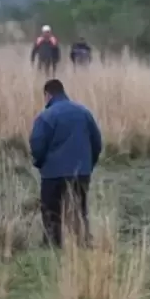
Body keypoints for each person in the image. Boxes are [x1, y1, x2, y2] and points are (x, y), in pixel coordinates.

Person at [29, 79, 102, 248]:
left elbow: (37, 145)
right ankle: (82, 245)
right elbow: (97, 142)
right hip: (81, 173)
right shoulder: (84, 112)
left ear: (47, 95)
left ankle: (53, 246)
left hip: (53, 174)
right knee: (79, 211)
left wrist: (40, 163)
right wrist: (88, 165)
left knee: (51, 212)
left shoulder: (46, 116)